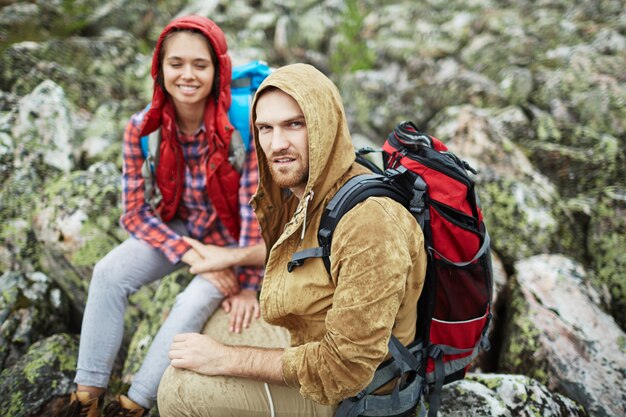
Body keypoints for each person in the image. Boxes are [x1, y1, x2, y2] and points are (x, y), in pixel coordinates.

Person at [157, 63, 427, 417]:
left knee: (180, 391)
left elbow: (344, 370)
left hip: (359, 393)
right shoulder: (313, 187)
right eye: (265, 128)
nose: (277, 144)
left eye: (294, 124)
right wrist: (232, 259)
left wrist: (227, 358)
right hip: (307, 337)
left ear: (324, 124)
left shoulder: (370, 223)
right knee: (210, 322)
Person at [60, 15, 265, 417]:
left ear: (217, 70)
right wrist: (189, 251)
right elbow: (134, 214)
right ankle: (86, 399)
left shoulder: (241, 129)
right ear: (160, 68)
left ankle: (133, 405)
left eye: (200, 65)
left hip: (231, 239)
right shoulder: (142, 128)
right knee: (107, 273)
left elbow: (252, 211)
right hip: (181, 228)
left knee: (192, 302)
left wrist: (245, 284)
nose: (187, 75)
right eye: (176, 64)